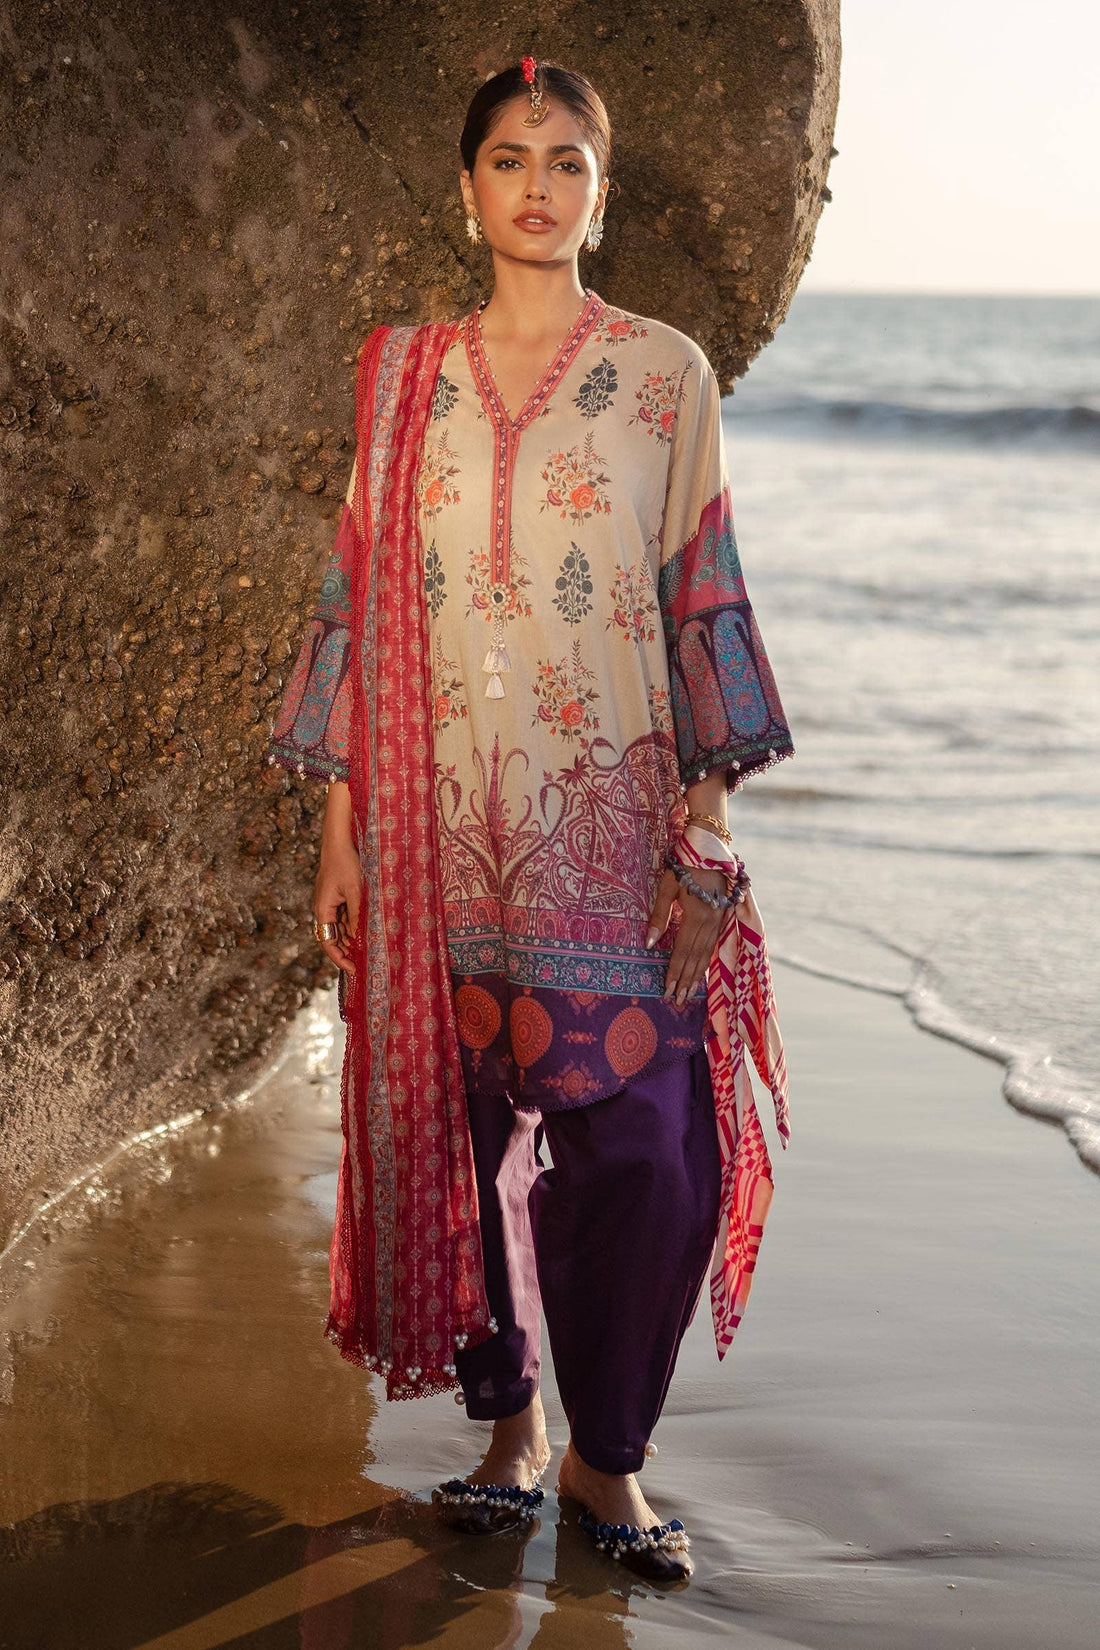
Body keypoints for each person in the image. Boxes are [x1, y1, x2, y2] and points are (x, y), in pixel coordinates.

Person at [267, 57, 794, 1585]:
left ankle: (604, 1452)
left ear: (601, 195)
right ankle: (510, 1431)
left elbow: (700, 591)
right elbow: (361, 596)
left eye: (569, 162)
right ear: (469, 188)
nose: (539, 186)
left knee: (649, 1153)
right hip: (433, 823)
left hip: (608, 820)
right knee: (468, 1137)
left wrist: (706, 823)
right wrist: (345, 821)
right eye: (511, 158)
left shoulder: (665, 375)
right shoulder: (401, 376)